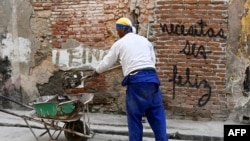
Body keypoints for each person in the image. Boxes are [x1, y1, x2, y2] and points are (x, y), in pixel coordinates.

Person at [92, 17, 168, 141]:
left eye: (118, 30)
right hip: (152, 80)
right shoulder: (144, 40)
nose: (117, 33)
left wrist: (96, 71)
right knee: (157, 116)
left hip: (137, 82)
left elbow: (107, 62)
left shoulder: (119, 44)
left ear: (123, 29)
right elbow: (152, 61)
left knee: (134, 118)